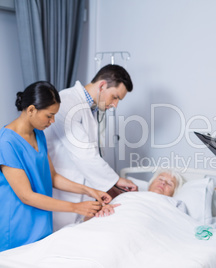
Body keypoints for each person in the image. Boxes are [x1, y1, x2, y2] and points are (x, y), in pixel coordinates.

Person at [0, 81, 114, 252]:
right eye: (49, 115)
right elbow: (27, 196)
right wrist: (76, 207)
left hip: (41, 223)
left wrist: (89, 190)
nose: (53, 121)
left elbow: (53, 177)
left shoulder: (38, 134)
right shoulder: (6, 142)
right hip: (18, 227)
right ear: (31, 110)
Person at [44, 64, 138, 231]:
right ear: (102, 85)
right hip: (61, 188)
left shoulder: (91, 110)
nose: (115, 105)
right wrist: (115, 181)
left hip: (79, 190)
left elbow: (91, 154)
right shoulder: (67, 102)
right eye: (115, 97)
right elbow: (84, 154)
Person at [95, 168, 185, 217]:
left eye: (170, 184)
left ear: (174, 193)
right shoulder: (128, 196)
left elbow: (178, 223)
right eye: (160, 179)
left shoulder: (175, 204)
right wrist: (104, 209)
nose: (163, 183)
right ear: (150, 184)